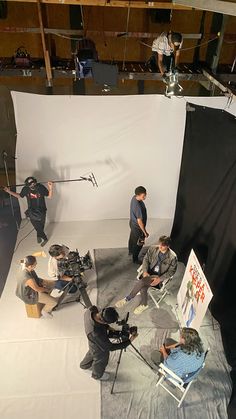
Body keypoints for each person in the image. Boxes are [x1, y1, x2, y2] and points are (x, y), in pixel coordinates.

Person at [116, 235, 177, 315]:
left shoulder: (173, 257)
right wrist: (144, 271)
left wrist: (159, 279)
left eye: (163, 245)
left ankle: (128, 298)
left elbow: (171, 272)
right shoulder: (153, 249)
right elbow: (146, 259)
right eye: (160, 244)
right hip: (148, 273)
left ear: (168, 246)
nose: (160, 247)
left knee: (142, 282)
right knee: (143, 288)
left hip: (159, 277)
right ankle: (144, 304)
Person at [80, 305, 138, 381]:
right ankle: (97, 375)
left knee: (92, 350)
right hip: (97, 344)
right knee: (100, 359)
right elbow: (110, 347)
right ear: (103, 321)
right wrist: (130, 340)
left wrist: (107, 327)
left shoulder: (90, 310)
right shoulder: (96, 333)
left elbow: (99, 321)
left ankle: (84, 365)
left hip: (92, 341)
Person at [4, 176, 53, 246]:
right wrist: (9, 191)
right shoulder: (26, 189)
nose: (32, 185)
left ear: (35, 182)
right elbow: (19, 196)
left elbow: (49, 196)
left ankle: (38, 236)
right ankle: (45, 238)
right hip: (31, 211)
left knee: (41, 226)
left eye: (33, 183)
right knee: (37, 226)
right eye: (30, 184)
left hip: (42, 210)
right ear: (27, 185)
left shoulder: (41, 187)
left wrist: (50, 187)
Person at [128, 186, 149, 264]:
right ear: (138, 195)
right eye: (143, 195)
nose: (145, 196)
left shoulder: (134, 198)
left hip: (132, 223)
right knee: (139, 244)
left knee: (132, 238)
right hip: (138, 227)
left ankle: (130, 251)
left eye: (145, 194)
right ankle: (135, 259)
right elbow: (139, 221)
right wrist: (145, 232)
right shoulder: (137, 206)